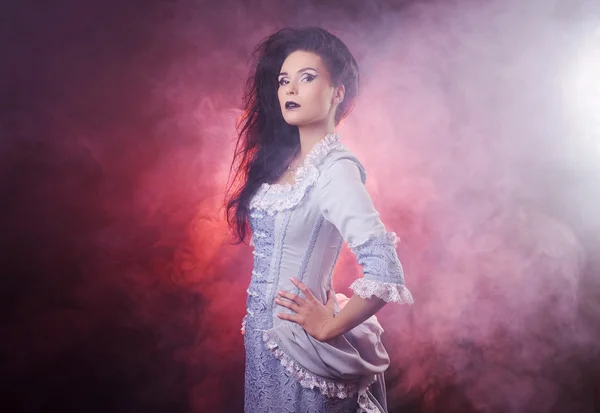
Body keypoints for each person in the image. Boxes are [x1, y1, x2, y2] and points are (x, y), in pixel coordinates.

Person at [225, 27, 413, 413]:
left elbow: (385, 272)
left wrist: (328, 325)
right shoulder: (282, 164)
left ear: (337, 93)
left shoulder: (335, 170)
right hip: (264, 348)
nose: (290, 90)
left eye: (306, 78)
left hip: (303, 354)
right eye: (283, 81)